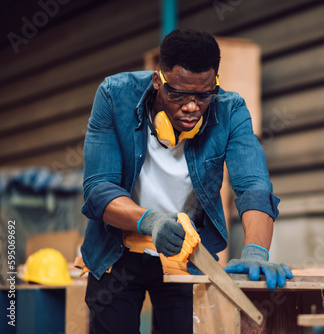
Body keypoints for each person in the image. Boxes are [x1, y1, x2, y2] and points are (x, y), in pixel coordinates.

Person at [80, 29, 293, 333]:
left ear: (215, 83)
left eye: (203, 96)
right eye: (178, 94)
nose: (191, 107)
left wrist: (256, 250)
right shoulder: (115, 96)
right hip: (116, 250)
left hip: (185, 252)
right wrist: (151, 222)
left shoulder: (230, 110)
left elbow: (253, 186)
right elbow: (99, 189)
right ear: (158, 81)